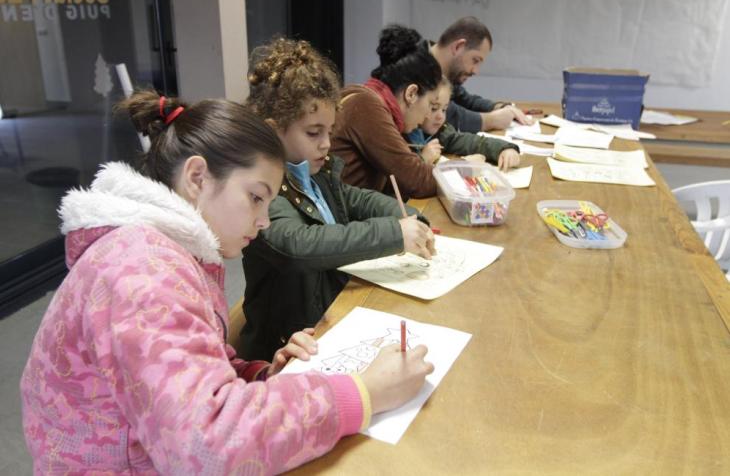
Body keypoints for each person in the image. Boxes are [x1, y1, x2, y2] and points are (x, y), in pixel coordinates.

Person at [19, 90, 434, 474]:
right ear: (197, 177)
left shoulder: (164, 252)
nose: (264, 221)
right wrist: (362, 393)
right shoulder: (143, 271)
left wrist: (260, 377)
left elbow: (189, 369)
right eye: (256, 197)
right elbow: (207, 445)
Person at [241, 38, 436, 361]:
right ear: (275, 131)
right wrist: (394, 234)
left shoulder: (314, 171)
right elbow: (297, 244)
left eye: (329, 132)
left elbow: (353, 197)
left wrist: (409, 217)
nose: (326, 144)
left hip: (331, 313)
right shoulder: (262, 189)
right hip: (285, 347)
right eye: (313, 133)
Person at [330, 24, 443, 199]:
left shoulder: (367, 97)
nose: (428, 115)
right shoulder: (366, 106)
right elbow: (417, 181)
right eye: (431, 104)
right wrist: (464, 173)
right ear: (411, 94)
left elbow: (398, 178)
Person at [425, 16, 530, 132]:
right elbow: (447, 115)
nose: (475, 71)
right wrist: (490, 120)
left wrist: (500, 107)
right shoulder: (415, 66)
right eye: (475, 60)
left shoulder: (443, 72)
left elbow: (466, 100)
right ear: (458, 47)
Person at [408, 76, 521, 170]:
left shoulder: (442, 133)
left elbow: (472, 142)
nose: (440, 116)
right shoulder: (403, 138)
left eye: (444, 109)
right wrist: (423, 159)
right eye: (433, 109)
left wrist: (504, 148)